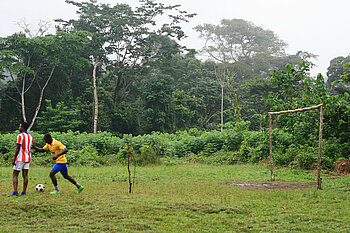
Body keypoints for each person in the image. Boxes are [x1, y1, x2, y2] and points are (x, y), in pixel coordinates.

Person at [9, 122, 33, 196]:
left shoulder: (20, 136)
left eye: (19, 126)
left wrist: (14, 158)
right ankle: (24, 192)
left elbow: (18, 148)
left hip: (20, 158)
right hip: (28, 158)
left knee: (15, 174)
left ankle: (15, 192)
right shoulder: (30, 137)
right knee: (25, 175)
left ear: (22, 127)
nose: (19, 128)